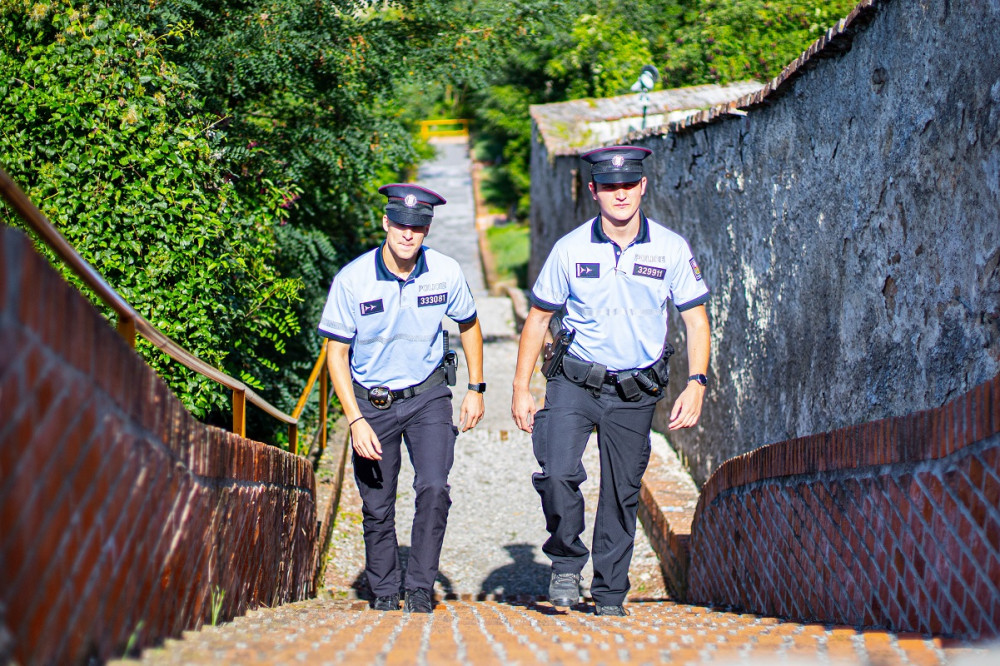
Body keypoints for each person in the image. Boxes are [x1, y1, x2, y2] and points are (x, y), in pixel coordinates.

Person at [511, 145, 710, 617]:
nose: (620, 195)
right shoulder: (570, 249)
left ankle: (609, 593)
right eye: (610, 187)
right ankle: (565, 561)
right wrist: (521, 388)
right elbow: (538, 318)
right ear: (594, 191)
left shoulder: (670, 249)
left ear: (642, 187)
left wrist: (697, 381)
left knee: (622, 491)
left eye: (629, 185)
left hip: (634, 390)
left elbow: (696, 321)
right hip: (574, 382)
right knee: (557, 472)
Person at [320, 183, 486, 613]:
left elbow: (469, 324)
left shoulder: (445, 272)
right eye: (401, 225)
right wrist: (354, 420)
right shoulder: (353, 280)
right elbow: (335, 353)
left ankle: (418, 587)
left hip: (428, 396)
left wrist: (475, 388)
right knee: (378, 504)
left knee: (433, 487)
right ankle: (384, 590)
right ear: (386, 222)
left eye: (419, 227)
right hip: (372, 404)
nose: (409, 235)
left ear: (427, 230)